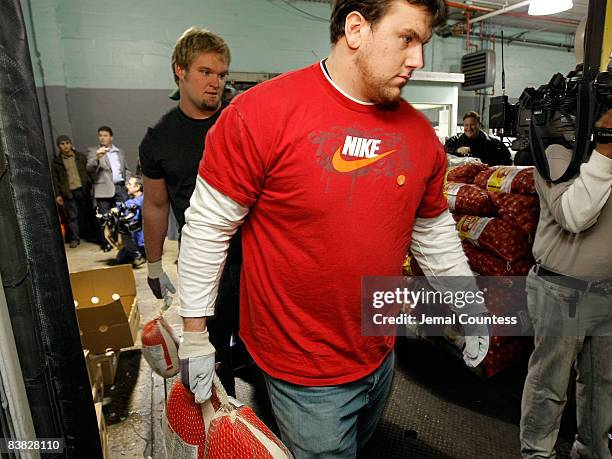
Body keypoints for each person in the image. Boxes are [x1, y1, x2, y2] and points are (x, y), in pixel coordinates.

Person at [177, 1, 489, 457]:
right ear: (357, 29)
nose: (418, 58)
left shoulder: (420, 137)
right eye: (406, 38)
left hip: (381, 353)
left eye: (423, 42)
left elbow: (433, 231)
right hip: (301, 368)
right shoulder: (260, 114)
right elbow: (208, 227)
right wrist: (194, 333)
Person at [139, 27, 243, 396]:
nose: (216, 82)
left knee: (264, 343)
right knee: (210, 355)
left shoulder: (240, 121)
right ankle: (225, 427)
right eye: (205, 72)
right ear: (180, 71)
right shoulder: (159, 139)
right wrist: (154, 265)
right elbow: (154, 205)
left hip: (258, 255)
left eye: (221, 74)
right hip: (207, 262)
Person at [519, 109, 612, 458]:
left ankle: (591, 450)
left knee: (602, 385)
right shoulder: (557, 151)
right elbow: (576, 215)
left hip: (608, 288)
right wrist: (605, 147)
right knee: (549, 385)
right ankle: (536, 454)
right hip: (561, 289)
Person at [87, 125, 131, 251]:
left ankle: (124, 242)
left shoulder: (119, 151)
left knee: (124, 215)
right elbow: (89, 169)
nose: (102, 138)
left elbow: (126, 169)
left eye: (105, 135)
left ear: (111, 137)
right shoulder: (93, 151)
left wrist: (127, 182)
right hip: (103, 189)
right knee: (104, 218)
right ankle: (106, 242)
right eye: (100, 135)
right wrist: (97, 157)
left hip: (119, 187)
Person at [52, 135, 96, 248]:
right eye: (62, 144)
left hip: (83, 189)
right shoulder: (57, 161)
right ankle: (75, 238)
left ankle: (89, 235)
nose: (65, 146)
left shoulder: (80, 157)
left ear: (70, 144)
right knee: (72, 217)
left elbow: (89, 172)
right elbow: (55, 179)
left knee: (87, 213)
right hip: (68, 192)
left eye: (67, 143)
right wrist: (58, 194)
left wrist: (93, 186)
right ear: (58, 146)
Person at [445, 111, 512, 166]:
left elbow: (507, 162)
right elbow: (443, 151)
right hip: (462, 179)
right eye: (466, 125)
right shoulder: (454, 141)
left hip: (486, 179)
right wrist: (456, 151)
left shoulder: (495, 144)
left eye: (472, 125)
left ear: (479, 125)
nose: (469, 128)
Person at [112, 176, 146, 267]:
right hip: (136, 234)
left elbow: (131, 205)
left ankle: (138, 255)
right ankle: (135, 253)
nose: (127, 186)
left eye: (130, 184)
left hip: (139, 235)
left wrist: (119, 208)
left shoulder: (140, 200)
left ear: (137, 187)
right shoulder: (133, 200)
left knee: (125, 231)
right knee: (120, 258)